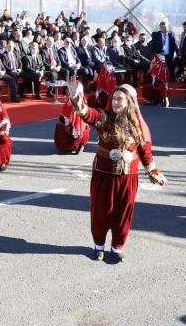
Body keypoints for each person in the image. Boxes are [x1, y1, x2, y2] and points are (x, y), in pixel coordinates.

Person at [69, 80, 167, 262]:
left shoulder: (139, 126)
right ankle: (98, 246)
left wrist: (154, 173)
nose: (115, 102)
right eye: (114, 98)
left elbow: (146, 153)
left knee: (123, 213)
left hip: (128, 176)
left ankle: (117, 248)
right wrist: (77, 99)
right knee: (101, 211)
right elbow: (88, 114)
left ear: (129, 101)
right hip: (103, 173)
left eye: (119, 99)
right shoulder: (105, 118)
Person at [54, 83, 90, 154]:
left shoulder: (68, 104)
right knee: (85, 127)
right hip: (83, 131)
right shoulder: (84, 102)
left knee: (59, 127)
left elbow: (63, 119)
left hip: (70, 131)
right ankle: (81, 144)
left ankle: (69, 146)